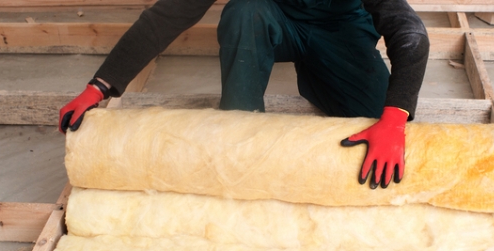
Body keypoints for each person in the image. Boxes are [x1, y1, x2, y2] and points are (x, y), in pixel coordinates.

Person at [59, 0, 429, 189]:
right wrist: (100, 86)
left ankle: (317, 75)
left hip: (340, 30)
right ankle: (240, 125)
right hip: (270, 18)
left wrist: (395, 118)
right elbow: (169, 14)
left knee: (373, 116)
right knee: (245, 10)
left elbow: (409, 32)